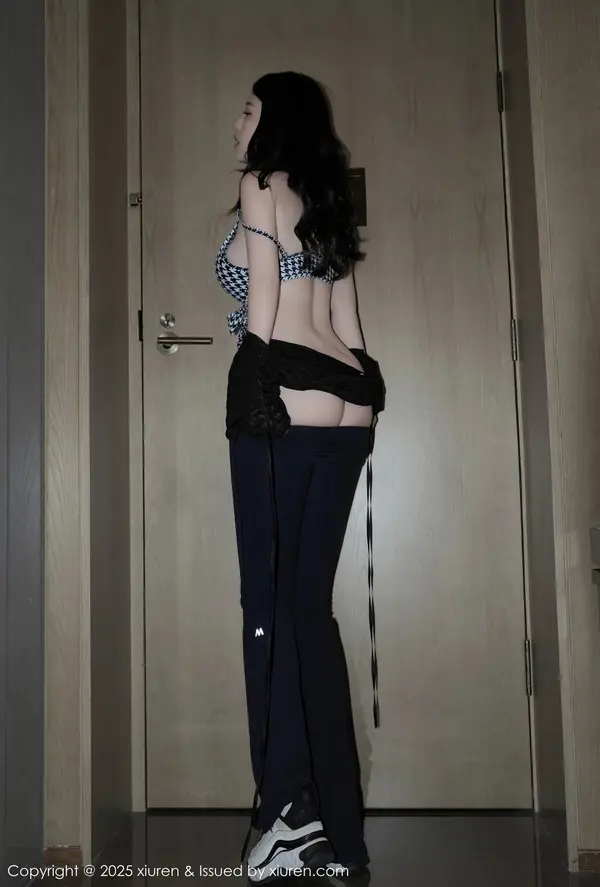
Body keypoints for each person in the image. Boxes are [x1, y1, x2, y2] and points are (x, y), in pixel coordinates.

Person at [215, 71, 386, 882]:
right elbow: (350, 325)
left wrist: (253, 379)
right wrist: (364, 390)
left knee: (267, 608)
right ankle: (340, 836)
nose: (237, 121)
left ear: (273, 118)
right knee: (309, 613)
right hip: (351, 399)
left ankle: (286, 815)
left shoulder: (260, 184)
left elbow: (264, 304)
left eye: (247, 109)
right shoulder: (325, 198)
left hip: (284, 394)